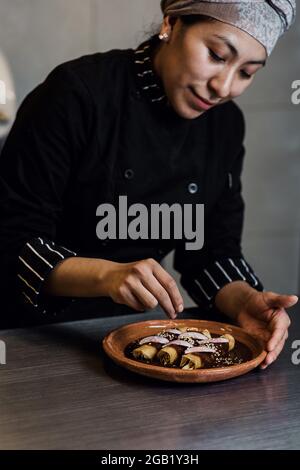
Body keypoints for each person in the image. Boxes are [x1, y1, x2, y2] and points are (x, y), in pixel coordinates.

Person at [0, 0, 297, 369]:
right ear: (171, 23)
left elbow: (211, 252)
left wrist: (245, 302)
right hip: (26, 338)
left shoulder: (224, 126)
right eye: (217, 55)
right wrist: (107, 275)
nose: (224, 86)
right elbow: (12, 241)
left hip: (131, 339)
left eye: (247, 72)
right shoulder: (76, 94)